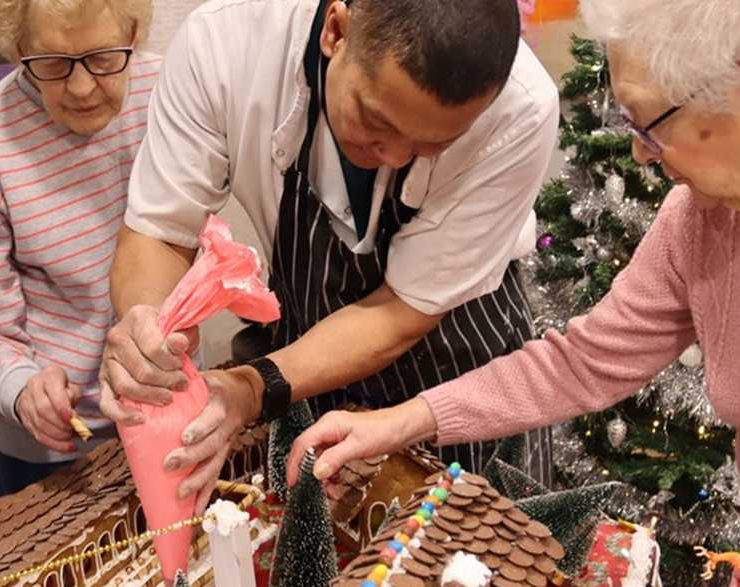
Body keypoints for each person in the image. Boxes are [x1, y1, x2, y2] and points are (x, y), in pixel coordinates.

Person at [287, 1, 740, 585]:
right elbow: (583, 361)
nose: (641, 157)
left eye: (651, 124)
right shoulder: (703, 219)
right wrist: (399, 425)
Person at [100, 0, 560, 513]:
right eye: (375, 121)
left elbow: (405, 310)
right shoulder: (225, 46)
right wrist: (148, 328)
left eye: (433, 144)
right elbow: (161, 231)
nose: (397, 157)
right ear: (337, 30)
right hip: (305, 364)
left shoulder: (521, 107)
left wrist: (253, 388)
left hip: (458, 363)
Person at [0, 0, 159, 496]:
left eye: (104, 58)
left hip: (166, 410)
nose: (81, 88)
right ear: (18, 49)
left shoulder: (167, 93)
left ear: (133, 32)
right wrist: (23, 390)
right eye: (52, 65)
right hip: (53, 452)